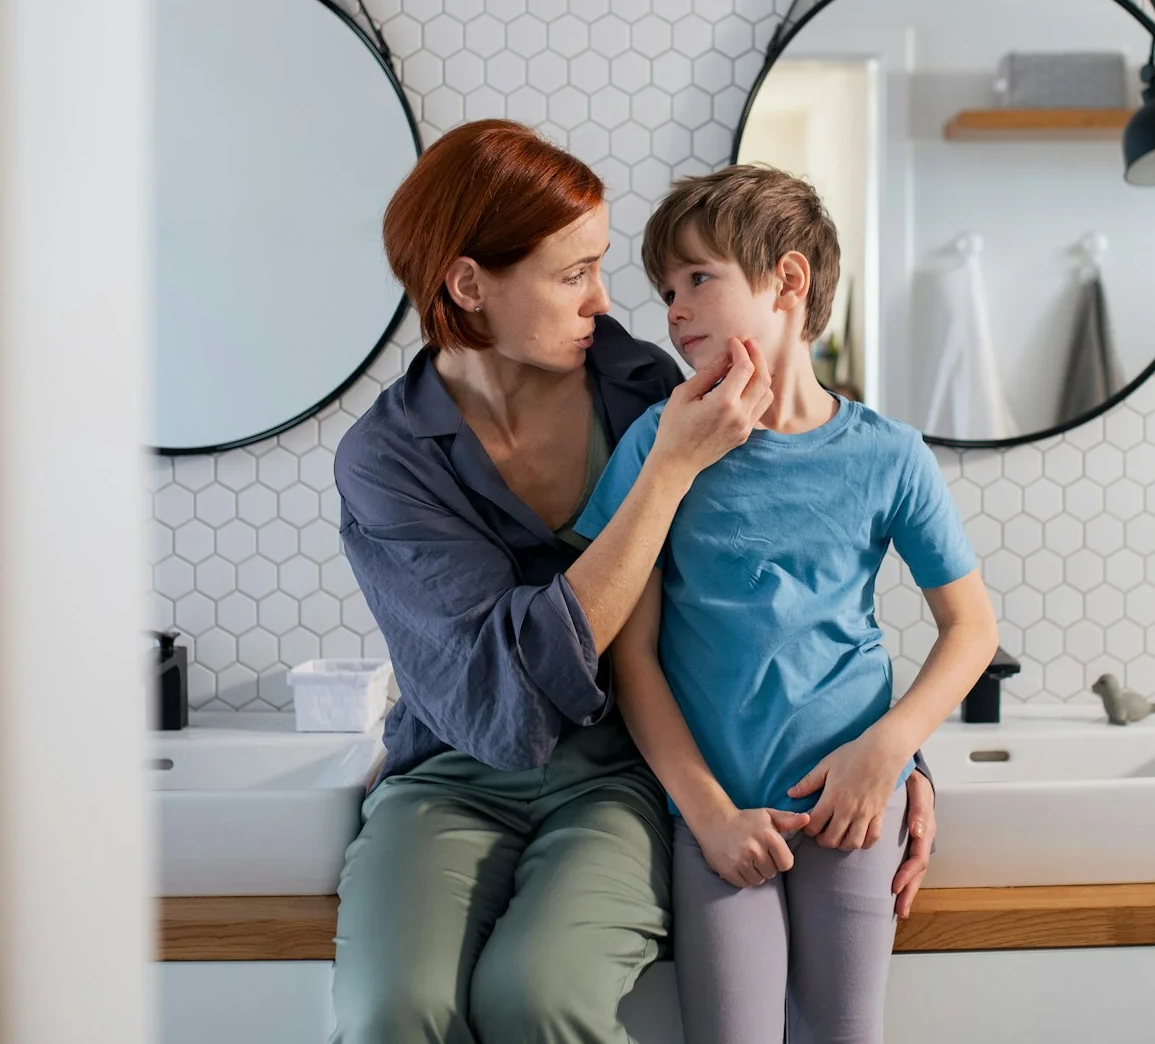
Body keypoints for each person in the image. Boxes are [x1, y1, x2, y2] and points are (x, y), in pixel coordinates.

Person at [329, 121, 941, 1043]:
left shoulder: (641, 385)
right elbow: (502, 681)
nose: (605, 302)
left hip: (619, 772)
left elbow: (759, 601)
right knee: (392, 1013)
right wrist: (663, 475)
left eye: (604, 269)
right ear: (469, 286)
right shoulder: (388, 457)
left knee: (541, 997)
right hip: (455, 773)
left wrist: (897, 753)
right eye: (573, 274)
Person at [575, 165, 999, 1044]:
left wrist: (889, 753)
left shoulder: (889, 455)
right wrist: (706, 813)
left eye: (699, 278)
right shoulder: (662, 443)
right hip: (721, 815)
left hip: (854, 805)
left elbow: (972, 629)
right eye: (666, 289)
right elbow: (633, 655)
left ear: (789, 281)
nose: (675, 309)